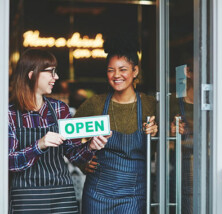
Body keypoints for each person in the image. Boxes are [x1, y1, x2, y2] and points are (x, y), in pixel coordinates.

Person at [8, 49, 110, 213]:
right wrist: (39, 144)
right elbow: (9, 163)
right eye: (50, 72)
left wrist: (91, 146)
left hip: (62, 193)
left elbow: (74, 155)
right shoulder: (9, 114)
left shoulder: (59, 108)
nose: (56, 77)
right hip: (27, 196)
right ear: (31, 74)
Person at [74, 36, 158, 213]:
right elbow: (67, 136)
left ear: (135, 71)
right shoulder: (95, 104)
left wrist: (157, 132)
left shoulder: (151, 105)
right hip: (97, 192)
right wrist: (82, 160)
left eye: (123, 69)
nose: (116, 75)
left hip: (134, 194)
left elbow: (169, 141)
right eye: (111, 70)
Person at [170, 63, 194, 214]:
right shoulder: (172, 103)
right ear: (188, 72)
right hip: (178, 172)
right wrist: (170, 133)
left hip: (206, 173)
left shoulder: (216, 103)